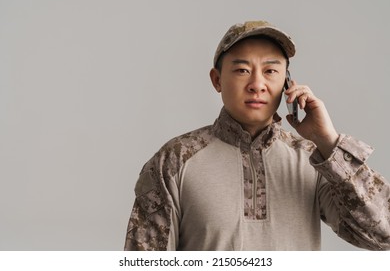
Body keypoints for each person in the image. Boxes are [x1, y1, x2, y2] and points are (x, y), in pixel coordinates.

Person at [124, 20, 390, 250]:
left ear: (288, 83)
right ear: (217, 80)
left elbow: (383, 235)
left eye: (271, 71)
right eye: (242, 70)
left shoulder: (313, 159)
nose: (257, 85)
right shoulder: (174, 160)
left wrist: (328, 142)